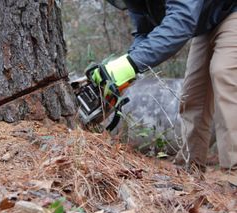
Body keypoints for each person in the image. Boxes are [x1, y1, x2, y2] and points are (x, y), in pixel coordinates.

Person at [91, 0, 237, 180]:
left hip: (231, 11)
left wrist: (130, 64)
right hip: (207, 22)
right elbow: (145, 32)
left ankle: (233, 170)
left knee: (224, 73)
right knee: (193, 95)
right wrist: (126, 70)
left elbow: (181, 21)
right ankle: (190, 168)